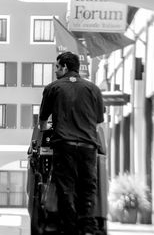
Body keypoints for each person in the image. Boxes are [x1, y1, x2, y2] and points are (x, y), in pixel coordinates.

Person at [39, 51, 104, 235]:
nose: (55, 70)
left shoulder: (53, 88)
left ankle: (70, 227)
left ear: (65, 67)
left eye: (57, 67)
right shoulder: (93, 89)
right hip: (88, 146)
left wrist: (48, 129)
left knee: (66, 186)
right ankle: (88, 226)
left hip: (64, 145)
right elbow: (98, 122)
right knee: (87, 186)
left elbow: (42, 123)